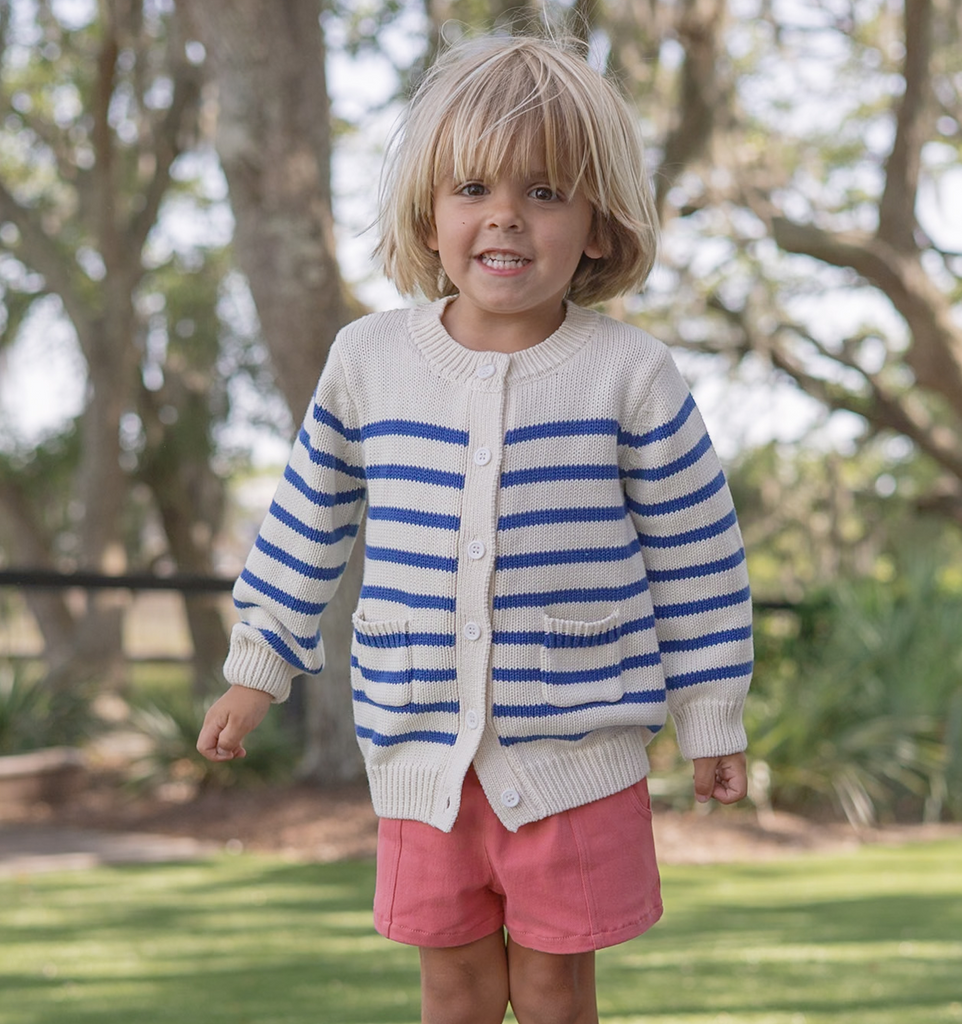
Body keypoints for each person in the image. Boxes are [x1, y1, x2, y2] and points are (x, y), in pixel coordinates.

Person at [198, 32, 753, 1024]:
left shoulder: (630, 376)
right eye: (471, 189)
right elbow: (306, 517)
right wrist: (257, 664)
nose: (503, 215)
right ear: (428, 211)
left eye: (544, 192)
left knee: (551, 987)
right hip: (420, 752)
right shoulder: (367, 361)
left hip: (577, 751)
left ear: (596, 224)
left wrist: (709, 714)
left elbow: (696, 560)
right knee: (450, 987)